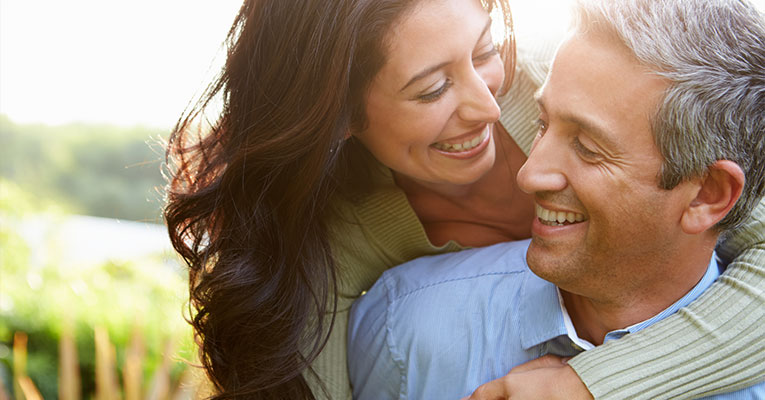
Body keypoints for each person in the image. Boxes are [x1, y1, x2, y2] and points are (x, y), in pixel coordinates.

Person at [162, 0, 765, 398]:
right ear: (341, 114)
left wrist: (590, 387)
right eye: (432, 88)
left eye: (483, 52)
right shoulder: (343, 235)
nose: (488, 105)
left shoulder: (589, 91)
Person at [348, 0, 765, 398]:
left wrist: (593, 383)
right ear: (343, 118)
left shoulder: (542, 64)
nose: (527, 174)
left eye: (586, 146)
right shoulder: (400, 325)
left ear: (708, 195)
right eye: (540, 122)